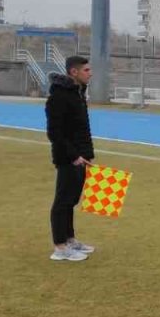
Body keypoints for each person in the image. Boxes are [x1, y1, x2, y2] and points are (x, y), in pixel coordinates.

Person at [45, 56, 96, 262]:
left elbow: (81, 129)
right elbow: (55, 133)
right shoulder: (59, 97)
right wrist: (73, 155)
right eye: (86, 70)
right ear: (73, 72)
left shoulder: (78, 93)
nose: (90, 73)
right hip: (68, 158)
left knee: (72, 199)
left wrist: (88, 153)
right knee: (63, 201)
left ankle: (69, 238)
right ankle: (60, 246)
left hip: (81, 156)